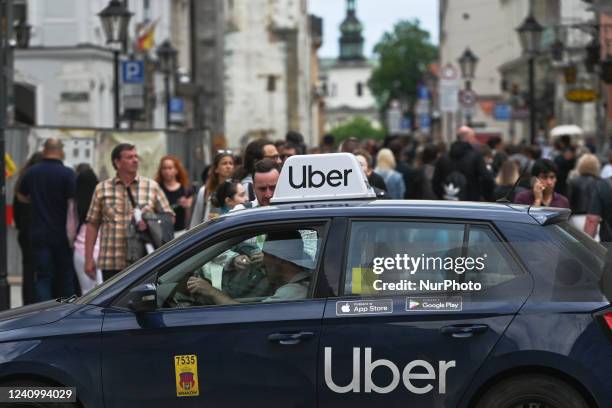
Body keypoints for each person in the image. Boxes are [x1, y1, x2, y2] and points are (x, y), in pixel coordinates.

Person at [85, 143, 174, 281]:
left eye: (136, 156)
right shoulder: (102, 189)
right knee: (110, 302)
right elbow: (92, 224)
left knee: (143, 301)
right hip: (111, 261)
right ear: (117, 162)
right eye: (129, 157)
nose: (135, 160)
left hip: (144, 260)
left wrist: (150, 219)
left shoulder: (151, 187)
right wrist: (88, 258)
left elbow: (169, 218)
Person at [17, 139, 77, 301]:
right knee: (65, 276)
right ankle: (67, 315)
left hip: (39, 232)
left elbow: (21, 196)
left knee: (43, 277)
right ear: (61, 151)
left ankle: (44, 315)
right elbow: (73, 205)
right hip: (62, 235)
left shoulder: (32, 172)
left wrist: (35, 201)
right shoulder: (68, 174)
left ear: (45, 150)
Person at [186, 230, 310, 305]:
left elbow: (246, 316)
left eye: (265, 255)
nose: (262, 262)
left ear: (278, 258)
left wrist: (211, 291)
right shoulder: (296, 286)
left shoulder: (293, 293)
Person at [432, 126, 494, 201]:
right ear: (469, 138)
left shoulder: (443, 158)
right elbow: (487, 179)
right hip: (470, 203)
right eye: (473, 137)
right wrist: (485, 197)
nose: (475, 140)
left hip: (448, 203)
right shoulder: (476, 157)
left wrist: (443, 196)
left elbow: (435, 183)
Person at [12, 152, 43, 305]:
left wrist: (20, 225)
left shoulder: (22, 181)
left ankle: (28, 302)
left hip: (25, 231)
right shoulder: (42, 182)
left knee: (28, 269)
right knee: (43, 270)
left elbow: (16, 209)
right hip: (41, 229)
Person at [72, 165, 102, 294]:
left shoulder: (75, 203)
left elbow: (71, 226)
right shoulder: (102, 201)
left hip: (81, 247)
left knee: (86, 291)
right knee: (104, 290)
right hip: (102, 247)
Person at [190, 151, 234, 227]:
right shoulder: (205, 190)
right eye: (224, 163)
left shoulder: (239, 189)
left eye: (231, 163)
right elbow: (196, 219)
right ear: (216, 169)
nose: (228, 166)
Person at [155, 155, 193, 231]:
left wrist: (187, 206)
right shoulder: (157, 189)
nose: (167, 171)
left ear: (176, 170)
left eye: (170, 168)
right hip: (163, 232)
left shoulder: (185, 190)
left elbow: (190, 217)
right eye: (164, 168)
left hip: (181, 232)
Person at [567, 154, 600, 232]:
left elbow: (568, 202)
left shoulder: (573, 181)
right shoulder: (600, 183)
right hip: (595, 220)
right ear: (596, 166)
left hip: (575, 218)